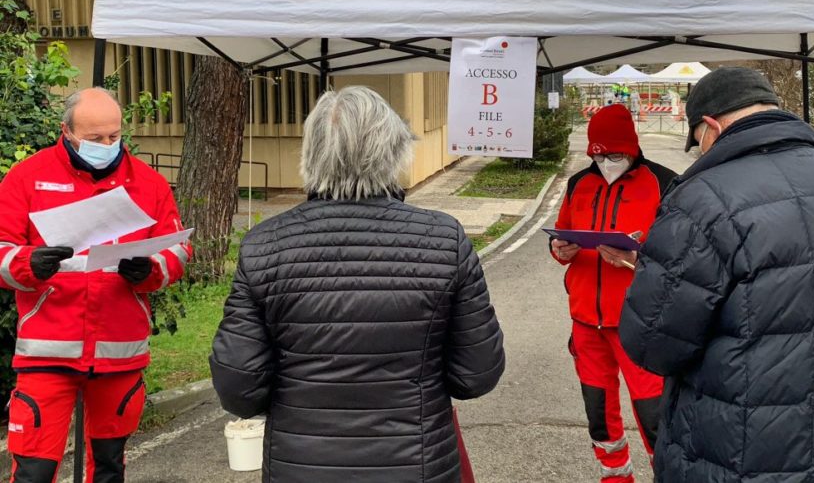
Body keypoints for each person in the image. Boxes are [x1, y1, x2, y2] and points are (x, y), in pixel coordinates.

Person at [210, 85, 505, 483]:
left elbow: (239, 388)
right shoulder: (443, 240)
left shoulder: (265, 247)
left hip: (302, 466)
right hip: (417, 465)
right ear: (393, 150)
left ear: (310, 154)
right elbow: (477, 373)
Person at [619, 66, 814, 481]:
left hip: (732, 448)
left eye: (697, 142)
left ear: (710, 126)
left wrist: (657, 269)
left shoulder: (701, 201)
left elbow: (652, 344)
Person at [0, 87, 191, 482]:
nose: (107, 146)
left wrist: (153, 269)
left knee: (108, 469)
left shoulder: (149, 184)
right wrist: (25, 262)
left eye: (114, 137)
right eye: (94, 139)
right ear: (66, 131)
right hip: (47, 353)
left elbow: (179, 250)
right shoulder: (27, 179)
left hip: (119, 350)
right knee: (32, 472)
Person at [549, 103, 676, 483]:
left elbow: (685, 257)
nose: (606, 161)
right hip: (586, 322)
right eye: (599, 154)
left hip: (641, 322)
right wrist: (559, 250)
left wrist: (638, 258)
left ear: (633, 148)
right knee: (599, 419)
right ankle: (614, 478)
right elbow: (561, 231)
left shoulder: (666, 184)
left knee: (656, 418)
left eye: (615, 154)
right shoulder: (579, 184)